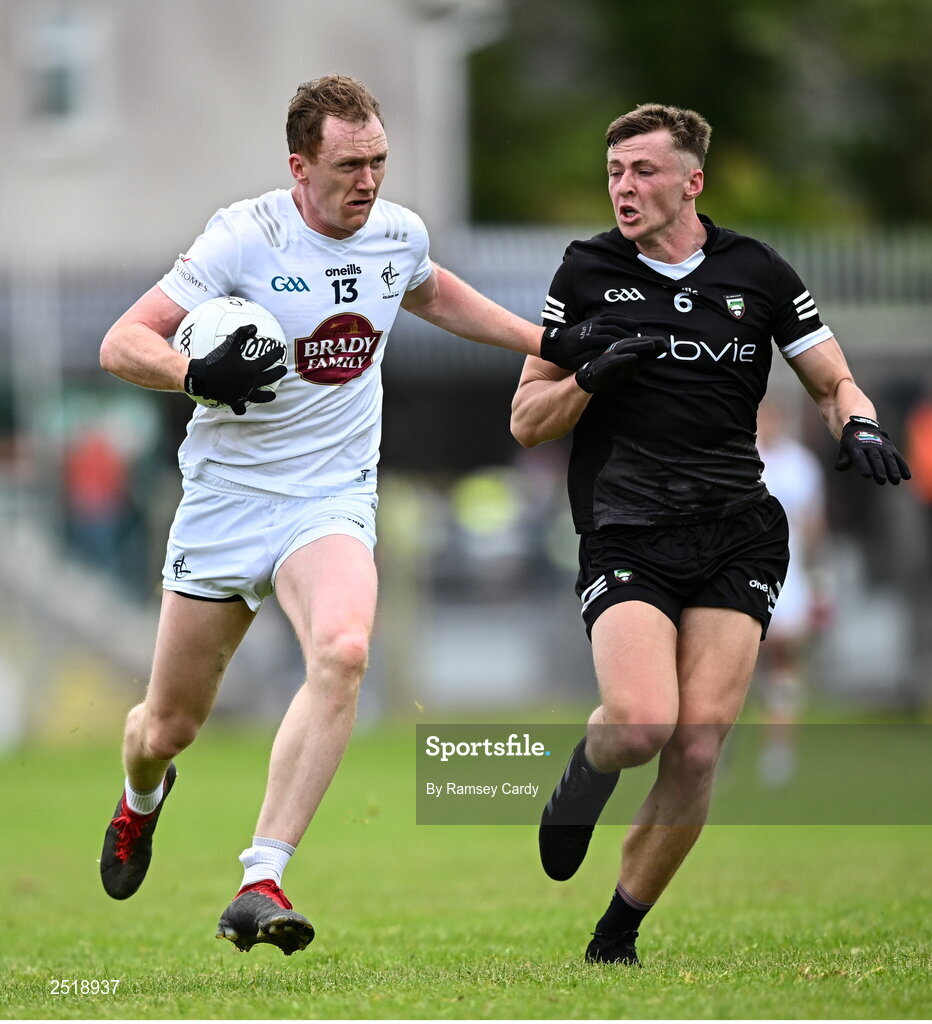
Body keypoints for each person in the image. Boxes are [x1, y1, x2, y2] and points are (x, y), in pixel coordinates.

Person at [97, 74, 626, 956]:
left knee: (343, 651)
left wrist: (547, 342)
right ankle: (140, 797)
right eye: (350, 164)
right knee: (168, 725)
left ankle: (259, 877)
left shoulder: (396, 232)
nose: (369, 179)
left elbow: (428, 291)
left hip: (329, 498)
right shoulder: (244, 236)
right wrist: (197, 376)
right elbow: (123, 341)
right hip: (226, 503)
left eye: (379, 159)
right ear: (300, 166)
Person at [510, 103, 911, 967]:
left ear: (692, 181)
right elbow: (527, 420)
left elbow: (833, 379)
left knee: (698, 743)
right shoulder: (586, 271)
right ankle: (587, 771)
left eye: (643, 171)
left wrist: (861, 427)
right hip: (627, 530)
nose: (624, 187)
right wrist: (589, 374)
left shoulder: (757, 271)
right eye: (615, 172)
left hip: (738, 532)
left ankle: (615, 934)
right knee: (645, 722)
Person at [753, 398, 829, 787]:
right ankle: (716, 743)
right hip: (741, 573)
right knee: (735, 661)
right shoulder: (740, 457)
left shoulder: (800, 465)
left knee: (782, 661)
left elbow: (814, 527)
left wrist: (817, 583)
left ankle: (778, 748)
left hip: (788, 577)